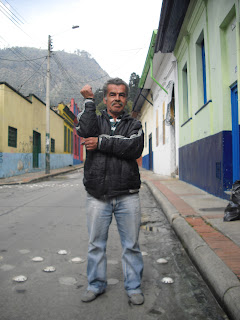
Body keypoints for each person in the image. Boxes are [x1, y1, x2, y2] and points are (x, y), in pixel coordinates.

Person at [76, 78, 144, 305]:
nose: (117, 99)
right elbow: (85, 131)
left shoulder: (134, 124)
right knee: (96, 244)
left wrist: (102, 142)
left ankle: (134, 287)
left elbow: (133, 146)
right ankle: (95, 285)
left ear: (126, 99)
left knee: (131, 245)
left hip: (128, 194)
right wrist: (87, 102)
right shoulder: (94, 120)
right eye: (112, 95)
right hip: (98, 195)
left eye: (122, 95)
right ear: (104, 99)